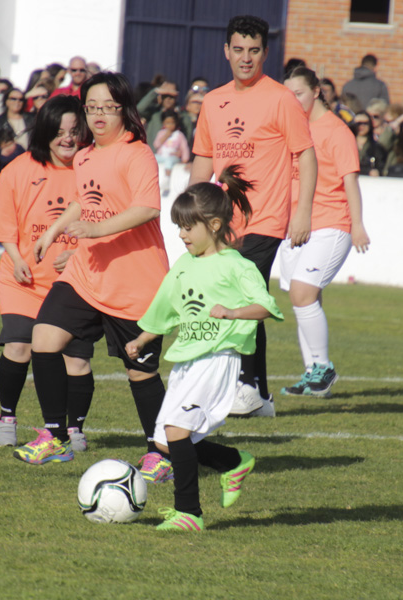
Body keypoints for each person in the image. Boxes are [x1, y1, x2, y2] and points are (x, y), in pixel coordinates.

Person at [15, 72, 172, 484]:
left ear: (124, 110)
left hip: (134, 284)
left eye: (108, 107)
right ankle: (54, 436)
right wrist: (53, 232)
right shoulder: (84, 154)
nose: (99, 115)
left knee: (140, 372)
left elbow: (148, 208)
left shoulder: (137, 154)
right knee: (44, 338)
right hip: (87, 273)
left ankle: (160, 453)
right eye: (92, 107)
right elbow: (85, 202)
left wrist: (97, 231)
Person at [125, 166, 282, 532]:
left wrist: (232, 312)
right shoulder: (184, 265)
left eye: (187, 227)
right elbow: (164, 308)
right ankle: (233, 462)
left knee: (178, 429)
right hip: (186, 361)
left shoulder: (237, 266)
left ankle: (189, 514)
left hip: (217, 358)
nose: (180, 235)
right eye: (178, 227)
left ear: (213, 225)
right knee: (165, 440)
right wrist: (141, 338)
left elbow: (266, 307)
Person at [190, 15, 317, 417]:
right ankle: (258, 393)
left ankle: (245, 385)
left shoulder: (282, 99)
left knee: (241, 295)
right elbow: (203, 161)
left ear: (266, 52)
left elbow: (306, 155)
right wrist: (190, 210)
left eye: (255, 50)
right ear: (226, 51)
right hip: (222, 221)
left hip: (265, 219)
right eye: (239, 49)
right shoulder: (213, 101)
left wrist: (302, 213)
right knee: (239, 297)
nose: (246, 58)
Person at [0, 95, 93, 448]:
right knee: (19, 345)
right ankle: (6, 418)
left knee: (75, 359)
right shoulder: (17, 170)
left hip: (74, 283)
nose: (68, 138)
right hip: (24, 281)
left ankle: (73, 428)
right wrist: (17, 258)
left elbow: (105, 221)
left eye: (74, 131)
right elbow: (4, 227)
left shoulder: (91, 170)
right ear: (45, 131)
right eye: (60, 131)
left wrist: (78, 255)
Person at [279, 66, 369, 397]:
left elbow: (350, 181)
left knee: (302, 293)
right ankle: (313, 377)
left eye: (298, 93)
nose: (293, 100)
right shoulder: (293, 129)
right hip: (296, 228)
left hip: (331, 224)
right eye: (288, 94)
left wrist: (357, 225)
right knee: (303, 298)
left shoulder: (335, 131)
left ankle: (323, 368)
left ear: (316, 91)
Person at [152, 110, 190, 195]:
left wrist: (184, 159)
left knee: (169, 161)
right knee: (151, 158)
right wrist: (165, 136)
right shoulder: (161, 133)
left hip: (172, 157)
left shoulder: (179, 135)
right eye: (167, 123)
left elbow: (184, 148)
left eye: (172, 123)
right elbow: (156, 145)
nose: (170, 125)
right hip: (161, 156)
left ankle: (167, 178)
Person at [352, 112, 386, 176]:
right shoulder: (347, 146)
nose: (362, 126)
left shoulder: (377, 148)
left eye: (365, 123)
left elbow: (381, 167)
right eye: (358, 123)